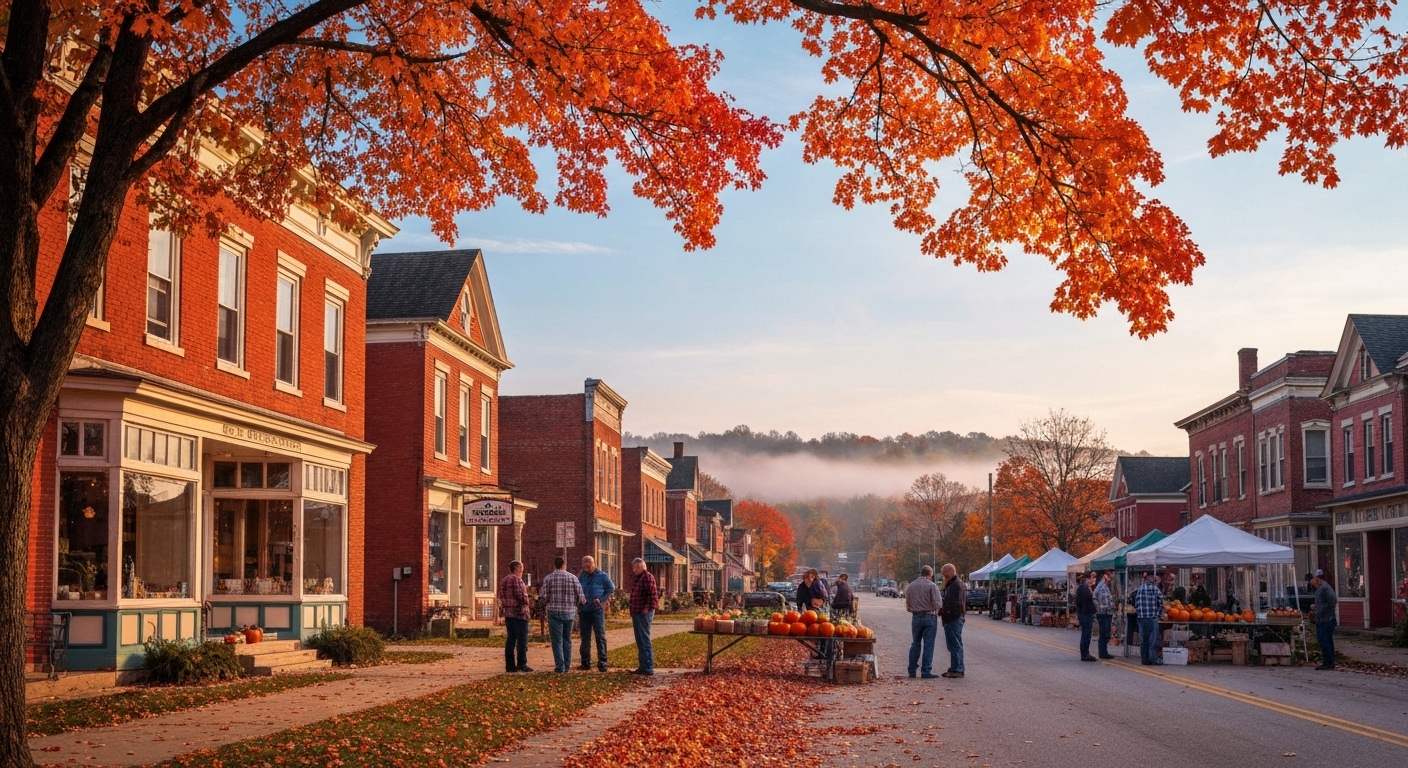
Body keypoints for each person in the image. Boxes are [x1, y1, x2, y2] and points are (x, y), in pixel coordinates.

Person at [541, 556, 585, 673]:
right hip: (569, 613)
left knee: (557, 641)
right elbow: (582, 598)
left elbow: (543, 597)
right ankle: (567, 664)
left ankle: (560, 666)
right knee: (567, 639)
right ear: (564, 565)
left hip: (554, 612)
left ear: (554, 565)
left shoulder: (548, 578)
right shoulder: (573, 578)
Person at [577, 556, 615, 671]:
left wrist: (602, 600)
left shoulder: (602, 576)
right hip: (584, 610)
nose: (586, 565)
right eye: (584, 563)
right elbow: (577, 589)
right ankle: (585, 662)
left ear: (593, 563)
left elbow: (610, 589)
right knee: (585, 637)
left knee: (600, 636)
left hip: (597, 610)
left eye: (588, 563)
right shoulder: (581, 576)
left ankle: (602, 662)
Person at [905, 565, 943, 679]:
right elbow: (938, 604)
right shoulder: (932, 586)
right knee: (928, 644)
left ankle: (912, 670)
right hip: (929, 617)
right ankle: (926, 671)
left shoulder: (911, 586)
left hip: (916, 617)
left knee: (915, 643)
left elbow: (908, 605)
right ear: (929, 575)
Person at [497, 560, 532, 673]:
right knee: (522, 640)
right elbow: (521, 596)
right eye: (521, 570)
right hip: (519, 613)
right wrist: (528, 601)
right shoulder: (517, 580)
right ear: (517, 569)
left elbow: (501, 596)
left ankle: (510, 665)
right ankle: (522, 664)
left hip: (508, 613)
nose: (522, 572)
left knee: (510, 639)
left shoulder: (504, 580)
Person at [628, 558, 659, 675]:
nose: (633, 569)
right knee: (640, 640)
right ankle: (643, 666)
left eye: (635, 567)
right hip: (637, 613)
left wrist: (645, 610)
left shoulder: (647, 577)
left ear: (640, 567)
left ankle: (647, 667)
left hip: (643, 614)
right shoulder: (638, 578)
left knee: (644, 640)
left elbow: (653, 597)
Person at [939, 564, 967, 678]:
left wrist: (944, 611)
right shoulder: (955, 583)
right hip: (954, 617)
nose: (944, 576)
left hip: (953, 618)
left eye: (944, 573)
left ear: (950, 572)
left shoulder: (956, 585)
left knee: (954, 644)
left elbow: (955, 603)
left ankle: (957, 668)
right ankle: (956, 666)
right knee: (955, 644)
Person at [1133, 571, 1165, 666]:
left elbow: (1136, 604)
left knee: (1143, 640)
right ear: (1153, 580)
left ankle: (1145, 659)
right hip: (1152, 618)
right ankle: (1152, 658)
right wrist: (1158, 614)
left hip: (1142, 618)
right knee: (1152, 640)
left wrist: (1140, 613)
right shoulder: (1155, 589)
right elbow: (1161, 603)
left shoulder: (1140, 589)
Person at [1311, 569, 1338, 670]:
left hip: (1326, 620)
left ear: (1317, 579)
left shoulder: (1325, 588)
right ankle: (1328, 661)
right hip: (1322, 619)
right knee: (1323, 640)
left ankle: (1329, 662)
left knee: (1325, 640)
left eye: (1313, 579)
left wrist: (1322, 610)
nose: (1312, 582)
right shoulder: (1320, 589)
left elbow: (1333, 601)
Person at [1093, 570, 1116, 660]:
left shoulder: (1106, 587)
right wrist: (1099, 607)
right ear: (1104, 576)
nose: (1110, 578)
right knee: (1104, 633)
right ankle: (1102, 652)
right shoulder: (1100, 586)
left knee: (1106, 633)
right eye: (1108, 575)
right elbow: (1094, 596)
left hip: (1108, 612)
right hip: (1103, 613)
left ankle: (1104, 651)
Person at [1075, 572, 1097, 661]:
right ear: (1088, 579)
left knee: (1085, 634)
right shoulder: (1085, 589)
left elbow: (1078, 602)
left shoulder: (1081, 588)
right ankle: (1085, 654)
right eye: (1092, 578)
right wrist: (1093, 610)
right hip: (1086, 614)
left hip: (1083, 613)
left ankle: (1085, 653)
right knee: (1086, 635)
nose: (1093, 580)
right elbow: (1087, 602)